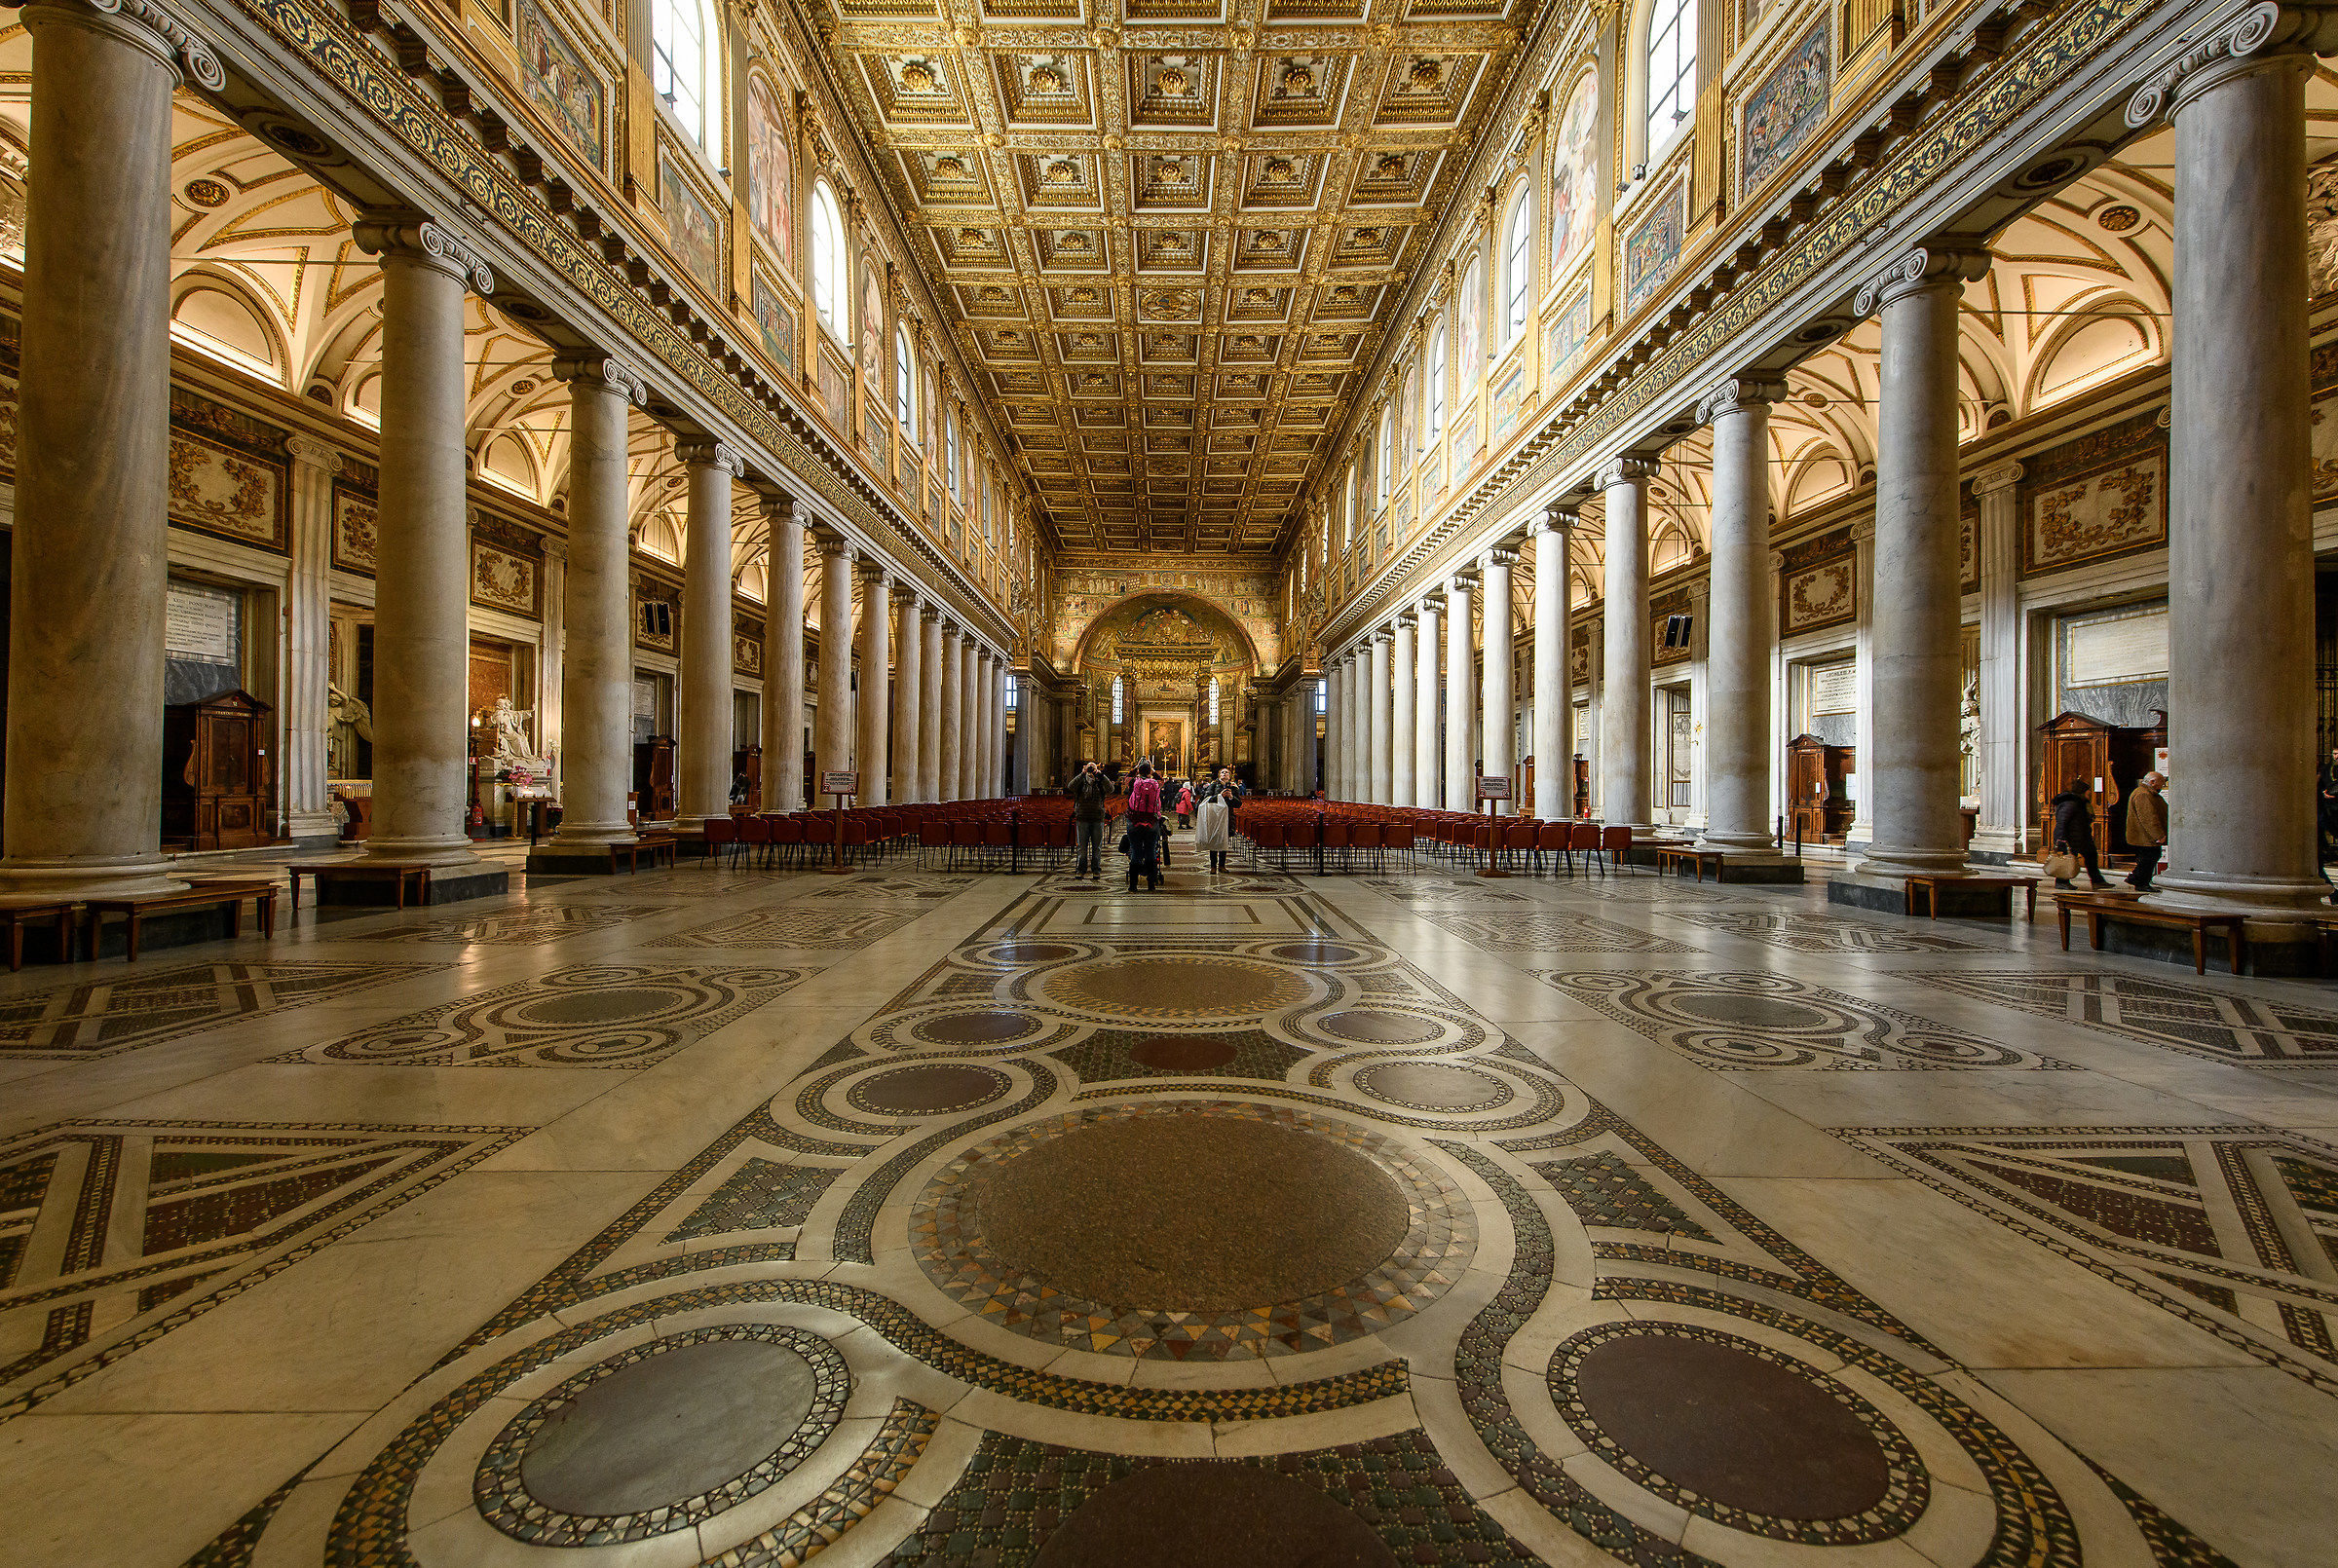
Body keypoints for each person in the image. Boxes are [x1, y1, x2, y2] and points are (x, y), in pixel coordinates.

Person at [2049, 784, 2113, 890]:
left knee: (2091, 856)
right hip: (2070, 839)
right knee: (2066, 860)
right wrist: (2060, 840)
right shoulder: (2070, 804)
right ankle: (2061, 882)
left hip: (2081, 837)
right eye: (2088, 791)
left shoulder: (2080, 803)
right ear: (2082, 791)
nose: (2090, 793)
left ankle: (2097, 881)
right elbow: (2062, 823)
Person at [1069, 760, 1111, 878]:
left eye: (1093, 768)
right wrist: (1082, 774)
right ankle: (1081, 869)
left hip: (1097, 818)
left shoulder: (1100, 781)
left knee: (1097, 847)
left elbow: (1110, 788)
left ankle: (1096, 869)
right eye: (1089, 768)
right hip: (1082, 817)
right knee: (1082, 847)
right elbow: (1070, 786)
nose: (1091, 770)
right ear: (1085, 769)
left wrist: (1100, 775)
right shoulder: (1081, 781)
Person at [2125, 770, 2167, 891]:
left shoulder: (2147, 793)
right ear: (2152, 782)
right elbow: (2149, 818)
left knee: (2148, 858)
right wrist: (2158, 835)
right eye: (2161, 783)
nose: (2162, 786)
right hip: (2144, 836)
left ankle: (2136, 879)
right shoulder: (2143, 794)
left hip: (2145, 836)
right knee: (2149, 858)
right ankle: (2140, 882)